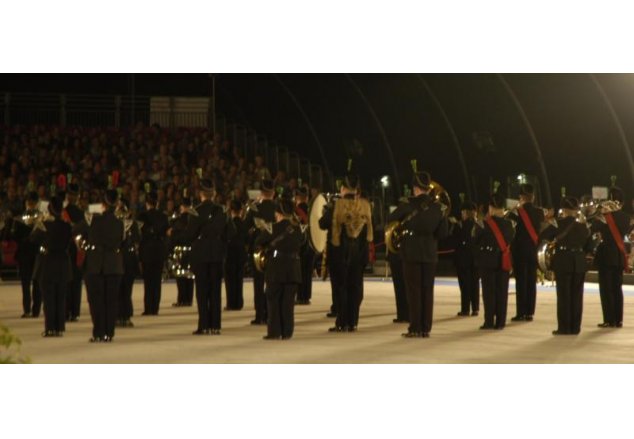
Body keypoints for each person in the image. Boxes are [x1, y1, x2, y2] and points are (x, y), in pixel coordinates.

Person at [388, 169, 448, 338]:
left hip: (411, 252)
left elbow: (390, 218)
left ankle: (415, 327)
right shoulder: (439, 208)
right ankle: (425, 328)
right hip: (430, 253)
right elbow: (443, 233)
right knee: (427, 291)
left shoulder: (408, 204)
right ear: (428, 189)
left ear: (415, 188)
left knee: (413, 291)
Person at [180, 178, 229, 335]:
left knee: (202, 291)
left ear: (201, 193)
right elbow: (230, 232)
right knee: (215, 291)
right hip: (216, 253)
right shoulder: (222, 210)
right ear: (213, 194)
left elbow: (189, 235)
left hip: (201, 254)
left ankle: (204, 325)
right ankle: (215, 325)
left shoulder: (195, 211)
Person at [328, 171, 373, 333]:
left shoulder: (336, 205)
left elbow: (322, 223)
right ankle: (353, 321)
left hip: (340, 253)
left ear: (343, 188)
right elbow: (368, 232)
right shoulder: (365, 205)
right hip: (359, 254)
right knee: (355, 287)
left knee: (341, 288)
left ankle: (342, 322)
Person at [540, 196, 590, 335]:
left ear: (564, 210)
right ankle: (575, 327)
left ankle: (564, 327)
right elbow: (589, 243)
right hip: (579, 261)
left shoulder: (558, 223)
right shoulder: (583, 225)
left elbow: (543, 236)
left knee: (564, 296)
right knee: (577, 296)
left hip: (563, 261)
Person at [256, 198, 303, 340]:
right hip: (293, 268)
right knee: (288, 303)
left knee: (273, 300)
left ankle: (274, 331)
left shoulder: (273, 228)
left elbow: (258, 242)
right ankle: (287, 331)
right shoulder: (298, 229)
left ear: (279, 213)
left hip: (276, 268)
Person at [84, 190, 124, 342]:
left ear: (104, 204)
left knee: (96, 301)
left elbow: (76, 230)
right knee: (112, 301)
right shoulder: (120, 222)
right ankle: (109, 333)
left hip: (96, 264)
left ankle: (99, 332)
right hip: (114, 264)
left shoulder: (94, 220)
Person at [473, 193, 515, 330]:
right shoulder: (510, 224)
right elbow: (511, 240)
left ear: (490, 208)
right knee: (502, 292)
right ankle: (501, 322)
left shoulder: (483, 224)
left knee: (488, 292)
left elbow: (474, 240)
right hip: (503, 260)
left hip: (487, 260)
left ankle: (489, 321)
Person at [32, 196, 73, 337]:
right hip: (62, 263)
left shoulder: (45, 225)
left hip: (48, 263)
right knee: (61, 298)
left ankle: (50, 327)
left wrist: (40, 222)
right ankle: (60, 327)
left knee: (48, 299)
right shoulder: (67, 226)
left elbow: (33, 239)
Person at [592, 187, 632, 328]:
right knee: (617, 288)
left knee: (606, 289)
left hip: (606, 256)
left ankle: (609, 319)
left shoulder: (604, 217)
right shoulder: (626, 217)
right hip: (619, 256)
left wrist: (601, 212)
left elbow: (593, 227)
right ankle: (618, 319)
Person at [506, 183, 544, 322]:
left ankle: (521, 312)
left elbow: (509, 229)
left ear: (521, 197)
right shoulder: (539, 212)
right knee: (531, 281)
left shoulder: (516, 212)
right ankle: (529, 312)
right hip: (533, 250)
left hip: (520, 251)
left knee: (521, 282)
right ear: (533, 197)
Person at [245, 179, 276, 325]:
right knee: (272, 283)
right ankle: (271, 313)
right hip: (274, 250)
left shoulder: (255, 208)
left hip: (258, 250)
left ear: (261, 193)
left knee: (258, 284)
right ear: (273, 193)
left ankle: (260, 315)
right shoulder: (278, 208)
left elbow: (246, 227)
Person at [138, 191, 169, 315]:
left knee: (148, 281)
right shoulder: (163, 216)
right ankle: (155, 307)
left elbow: (140, 234)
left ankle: (148, 307)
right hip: (159, 249)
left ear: (147, 203)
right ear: (157, 203)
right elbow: (166, 233)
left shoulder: (142, 216)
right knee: (156, 281)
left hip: (146, 249)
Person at [12, 191, 42, 318]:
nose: (30, 204)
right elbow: (14, 235)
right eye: (28, 202)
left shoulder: (41, 217)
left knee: (37, 283)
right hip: (24, 252)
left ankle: (36, 310)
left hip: (36, 253)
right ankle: (27, 309)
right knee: (25, 283)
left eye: (32, 202)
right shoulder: (20, 217)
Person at [452, 201, 479, 317]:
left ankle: (465, 309)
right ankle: (475, 308)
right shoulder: (478, 225)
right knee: (475, 284)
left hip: (463, 259)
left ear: (465, 212)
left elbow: (455, 241)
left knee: (465, 284)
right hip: (475, 259)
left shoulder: (460, 225)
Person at [63, 183, 85, 322]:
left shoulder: (63, 211)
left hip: (66, 249)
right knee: (76, 282)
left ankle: (66, 311)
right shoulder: (81, 213)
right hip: (78, 248)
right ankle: (75, 311)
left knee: (66, 282)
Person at [116, 198, 140, 328]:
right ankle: (122, 315)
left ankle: (124, 315)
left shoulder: (131, 224)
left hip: (124, 258)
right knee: (122, 289)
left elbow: (137, 240)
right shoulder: (128, 223)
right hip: (124, 258)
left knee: (124, 289)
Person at [169, 195, 196, 307]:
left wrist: (172, 234)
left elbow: (176, 235)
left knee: (181, 277)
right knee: (189, 277)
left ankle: (182, 299)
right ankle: (189, 299)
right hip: (192, 250)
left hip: (180, 250)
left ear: (182, 207)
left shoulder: (179, 220)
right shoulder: (194, 219)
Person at [224, 199, 247, 311]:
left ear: (231, 210)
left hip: (230, 254)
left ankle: (231, 303)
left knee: (230, 280)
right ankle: (239, 302)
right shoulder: (244, 224)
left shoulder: (229, 223)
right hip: (241, 253)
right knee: (239, 279)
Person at [294, 186, 315, 305]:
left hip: (300, 244)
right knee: (308, 271)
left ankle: (300, 295)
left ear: (297, 197)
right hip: (311, 243)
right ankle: (306, 296)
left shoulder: (295, 210)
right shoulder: (312, 210)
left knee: (300, 271)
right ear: (306, 198)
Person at [319, 195, 338, 318]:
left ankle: (337, 308)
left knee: (337, 283)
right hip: (353, 250)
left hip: (336, 249)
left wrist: (327, 211)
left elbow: (322, 223)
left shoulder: (334, 210)